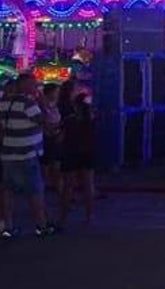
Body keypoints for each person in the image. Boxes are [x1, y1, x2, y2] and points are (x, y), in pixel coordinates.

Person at [0, 74, 54, 238]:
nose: (36, 88)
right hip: (27, 153)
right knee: (35, 192)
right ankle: (41, 226)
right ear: (26, 85)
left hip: (8, 153)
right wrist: (44, 105)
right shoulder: (28, 104)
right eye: (34, 85)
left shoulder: (3, 103)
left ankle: (7, 227)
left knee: (7, 191)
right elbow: (47, 123)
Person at [59, 91, 96, 226]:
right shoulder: (90, 120)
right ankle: (89, 216)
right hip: (87, 152)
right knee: (88, 184)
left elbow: (60, 136)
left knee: (68, 185)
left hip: (71, 151)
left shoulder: (69, 120)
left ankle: (63, 217)